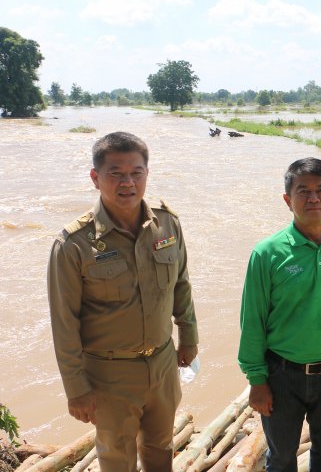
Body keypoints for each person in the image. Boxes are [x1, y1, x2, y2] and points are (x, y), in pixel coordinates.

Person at [48, 131, 199, 471]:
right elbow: (64, 322)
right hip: (108, 375)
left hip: (162, 364)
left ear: (147, 173)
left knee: (161, 449)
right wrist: (76, 388)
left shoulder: (167, 224)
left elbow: (182, 284)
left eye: (136, 172)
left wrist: (188, 336)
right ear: (95, 178)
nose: (127, 182)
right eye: (115, 173)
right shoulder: (73, 244)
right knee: (117, 459)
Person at [238, 157, 321, 472]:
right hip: (282, 375)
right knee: (282, 458)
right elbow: (252, 321)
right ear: (288, 200)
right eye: (303, 191)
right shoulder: (268, 253)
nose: (313, 198)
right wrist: (257, 380)